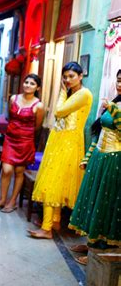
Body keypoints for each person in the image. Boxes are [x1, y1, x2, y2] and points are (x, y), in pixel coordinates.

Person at [29, 62, 93, 239]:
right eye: (65, 77)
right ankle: (54, 222)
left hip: (69, 144)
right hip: (59, 141)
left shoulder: (84, 94)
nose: (67, 80)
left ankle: (46, 228)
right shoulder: (74, 93)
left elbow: (59, 111)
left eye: (72, 76)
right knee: (55, 183)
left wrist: (62, 91)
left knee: (51, 183)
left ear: (80, 76)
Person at [68, 69, 121, 265]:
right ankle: (90, 242)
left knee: (104, 202)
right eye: (118, 80)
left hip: (113, 159)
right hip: (100, 157)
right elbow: (99, 132)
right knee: (93, 199)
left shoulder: (114, 106)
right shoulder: (115, 101)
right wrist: (88, 157)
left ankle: (97, 250)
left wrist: (113, 110)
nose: (119, 84)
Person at [0, 74, 44, 213]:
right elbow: (10, 116)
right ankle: (2, 199)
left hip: (25, 142)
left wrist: (25, 135)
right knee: (6, 170)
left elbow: (37, 127)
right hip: (10, 139)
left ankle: (12, 201)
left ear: (37, 87)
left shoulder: (39, 105)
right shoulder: (13, 98)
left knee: (19, 172)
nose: (28, 85)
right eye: (26, 82)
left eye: (32, 83)